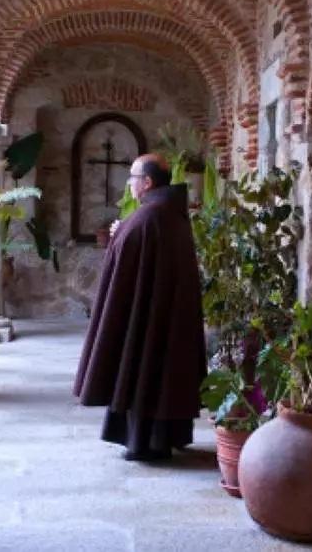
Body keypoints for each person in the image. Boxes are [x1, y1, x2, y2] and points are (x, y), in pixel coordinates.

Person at [73, 153, 207, 461]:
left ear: (146, 182)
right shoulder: (168, 212)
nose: (129, 184)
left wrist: (120, 232)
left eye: (132, 178)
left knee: (145, 366)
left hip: (148, 316)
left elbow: (130, 245)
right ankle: (163, 438)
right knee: (161, 370)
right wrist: (123, 230)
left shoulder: (151, 215)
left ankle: (144, 443)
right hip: (162, 311)